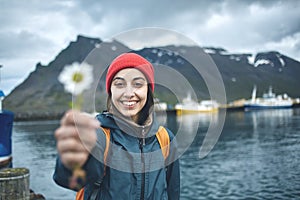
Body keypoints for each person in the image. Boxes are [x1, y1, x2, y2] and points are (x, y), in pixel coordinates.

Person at [53, 52, 180, 200]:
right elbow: (71, 179)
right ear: (111, 91)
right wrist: (72, 161)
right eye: (119, 84)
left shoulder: (166, 139)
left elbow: (173, 191)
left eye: (138, 84)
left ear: (148, 90)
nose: (128, 93)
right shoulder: (99, 135)